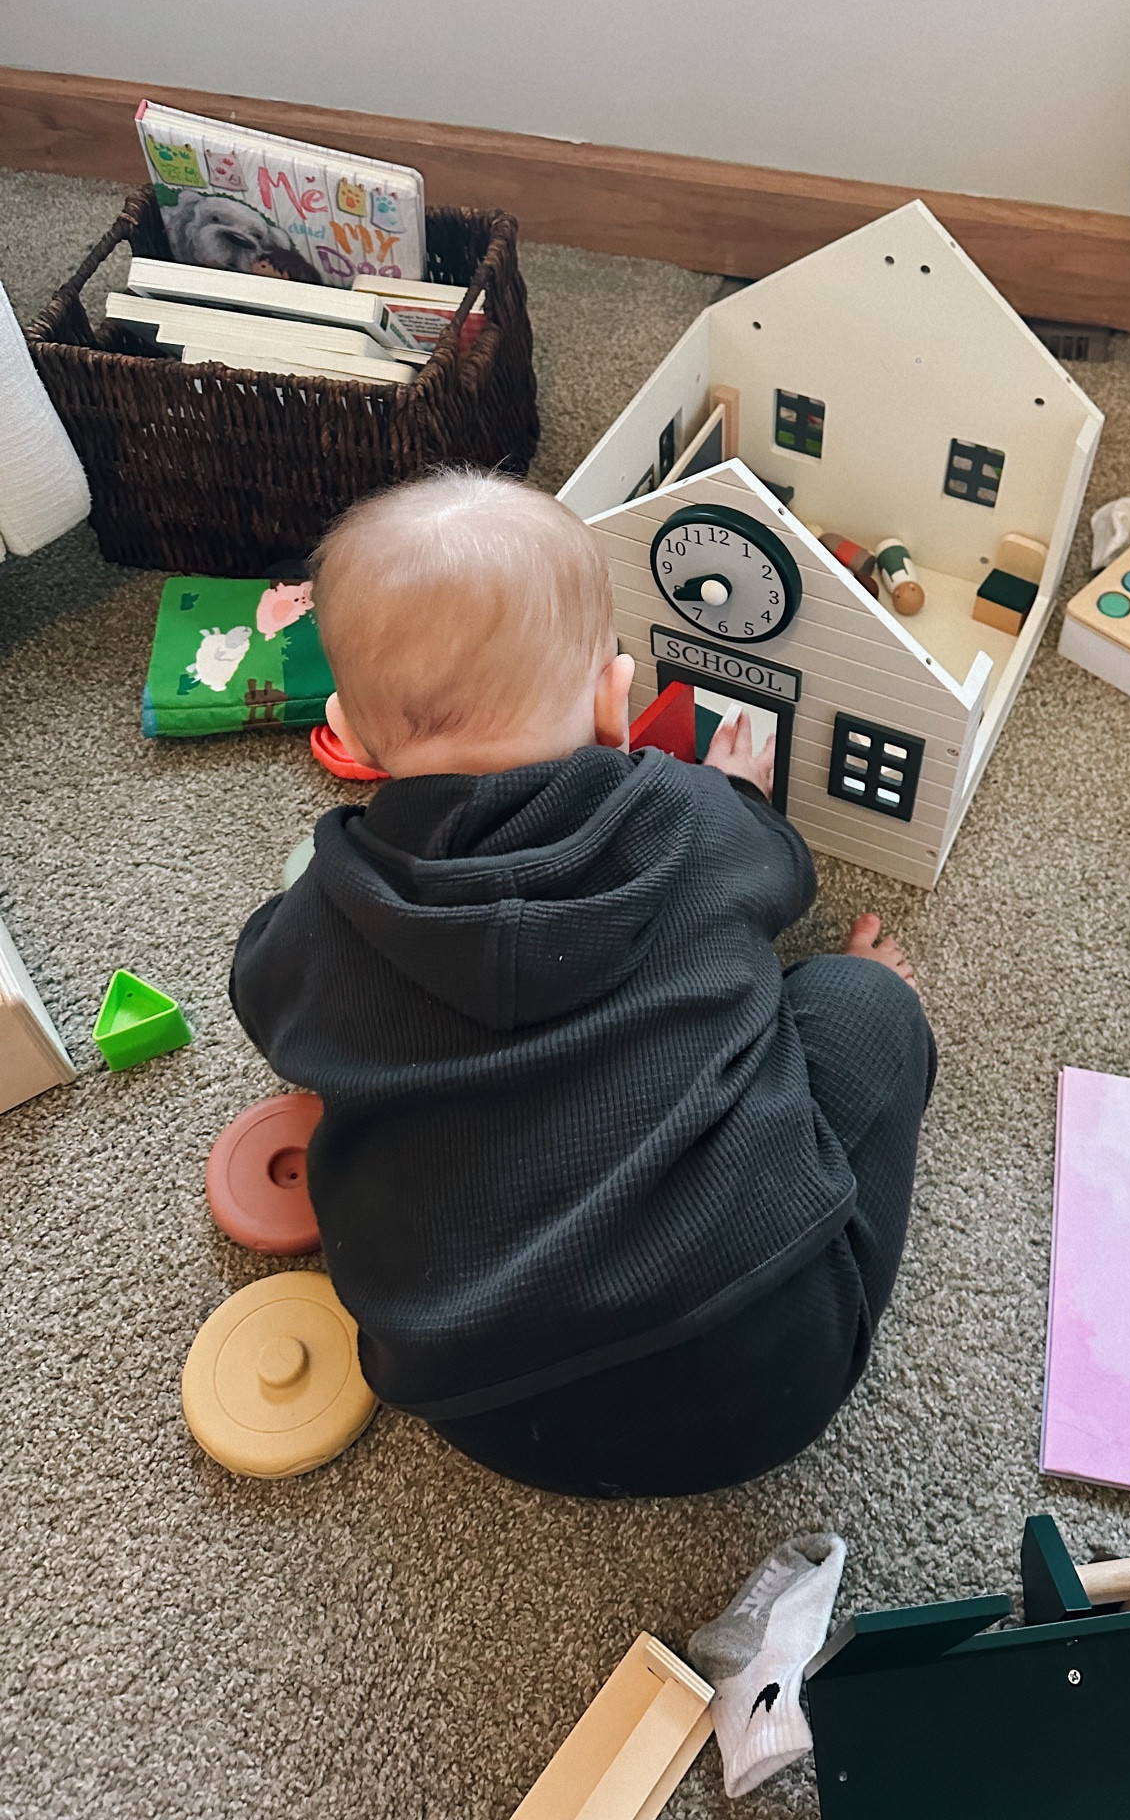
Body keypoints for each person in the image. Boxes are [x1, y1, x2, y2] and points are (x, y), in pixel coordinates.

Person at [230, 471, 935, 1497]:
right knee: (860, 1003)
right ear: (618, 701)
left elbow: (266, 996)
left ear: (353, 729)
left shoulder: (329, 909)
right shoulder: (689, 816)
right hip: (775, 1369)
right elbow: (788, 877)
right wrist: (732, 790)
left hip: (476, 1397)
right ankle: (875, 993)